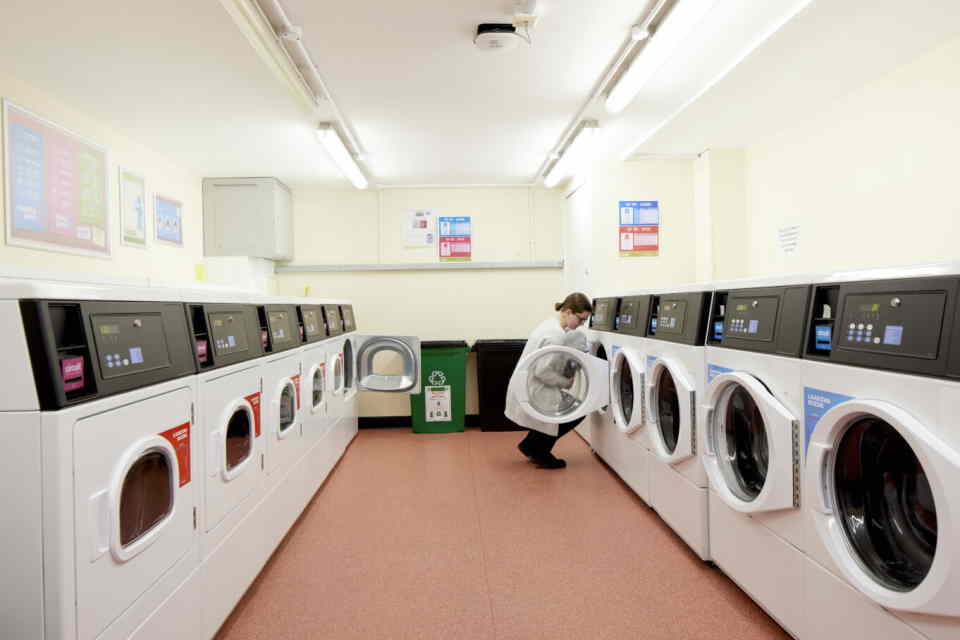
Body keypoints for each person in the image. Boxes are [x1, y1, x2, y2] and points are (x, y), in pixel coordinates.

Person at [505, 292, 593, 469]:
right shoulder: (556, 335)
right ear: (568, 311)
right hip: (536, 387)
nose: (582, 324)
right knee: (574, 413)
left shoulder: (549, 324)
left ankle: (530, 445)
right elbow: (542, 371)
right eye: (581, 319)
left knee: (556, 416)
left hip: (527, 383)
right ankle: (540, 452)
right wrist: (564, 382)